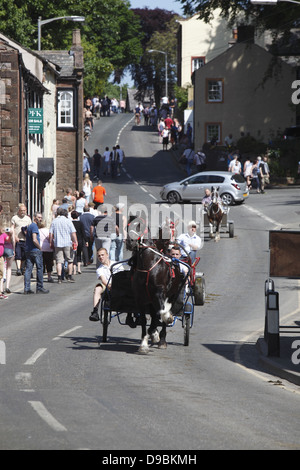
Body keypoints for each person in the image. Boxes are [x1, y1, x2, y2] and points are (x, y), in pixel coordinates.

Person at [89, 247, 123, 322]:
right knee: (98, 287)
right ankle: (95, 311)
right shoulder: (99, 269)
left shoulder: (117, 264)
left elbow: (122, 277)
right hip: (108, 286)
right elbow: (104, 280)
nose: (101, 257)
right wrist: (111, 286)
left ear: (107, 255)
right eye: (99, 256)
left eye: (102, 255)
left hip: (119, 285)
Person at [49, 207, 78, 284]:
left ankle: (59, 278)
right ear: (66, 215)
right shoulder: (68, 221)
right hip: (67, 243)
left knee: (59, 261)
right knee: (70, 260)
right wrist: (75, 241)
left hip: (58, 243)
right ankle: (69, 276)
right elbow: (73, 233)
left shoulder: (54, 221)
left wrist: (51, 242)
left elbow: (50, 233)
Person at [23, 212, 49, 294]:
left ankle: (27, 289)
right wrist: (40, 247)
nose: (40, 219)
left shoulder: (30, 226)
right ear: (34, 217)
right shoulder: (34, 226)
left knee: (28, 269)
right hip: (35, 250)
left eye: (41, 217)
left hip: (28, 250)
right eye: (39, 217)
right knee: (39, 268)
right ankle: (39, 287)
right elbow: (34, 239)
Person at [11, 204, 32, 276]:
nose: (22, 212)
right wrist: (14, 236)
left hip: (26, 240)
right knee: (18, 255)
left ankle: (22, 268)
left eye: (24, 210)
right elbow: (12, 228)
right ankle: (18, 269)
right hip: (18, 240)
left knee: (24, 256)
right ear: (19, 211)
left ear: (26, 211)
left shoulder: (28, 219)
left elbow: (30, 229)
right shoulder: (15, 218)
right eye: (21, 210)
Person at [71, 211, 88, 275]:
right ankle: (79, 269)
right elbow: (83, 232)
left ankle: (74, 270)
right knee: (79, 254)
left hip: (73, 241)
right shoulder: (80, 223)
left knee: (73, 255)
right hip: (80, 240)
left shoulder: (71, 223)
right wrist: (86, 241)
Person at [3, 226, 14, 294]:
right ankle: (7, 286)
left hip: (2, 248)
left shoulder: (1, 228)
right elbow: (13, 240)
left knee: (2, 266)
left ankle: (1, 288)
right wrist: (14, 249)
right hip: (9, 248)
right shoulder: (11, 229)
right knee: (9, 268)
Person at [0, 224, 8, 299]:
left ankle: (0, 292)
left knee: (1, 274)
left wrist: (11, 232)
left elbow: (9, 239)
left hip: (1, 257)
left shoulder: (3, 235)